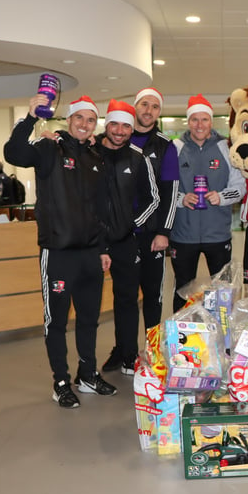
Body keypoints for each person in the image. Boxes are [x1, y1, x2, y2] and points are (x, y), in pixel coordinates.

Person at [3, 94, 116, 408]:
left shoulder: (96, 157)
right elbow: (13, 152)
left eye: (91, 119)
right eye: (79, 117)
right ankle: (61, 382)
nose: (84, 124)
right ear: (69, 120)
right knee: (56, 322)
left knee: (89, 319)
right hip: (58, 253)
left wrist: (103, 247)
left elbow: (100, 209)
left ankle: (88, 375)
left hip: (91, 254)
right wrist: (29, 118)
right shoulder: (49, 148)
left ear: (95, 124)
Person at [102, 88, 179, 373]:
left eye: (155, 106)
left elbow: (170, 194)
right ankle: (124, 351)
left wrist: (164, 232)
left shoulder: (165, 146)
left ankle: (153, 350)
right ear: (135, 107)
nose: (148, 110)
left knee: (152, 296)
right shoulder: (116, 140)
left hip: (151, 234)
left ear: (159, 112)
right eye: (144, 104)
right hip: (120, 235)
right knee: (123, 296)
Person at [97, 99, 159, 375]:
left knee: (126, 299)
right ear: (106, 125)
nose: (120, 130)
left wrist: (131, 225)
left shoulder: (137, 158)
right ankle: (88, 369)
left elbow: (153, 199)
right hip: (90, 242)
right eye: (115, 124)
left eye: (126, 125)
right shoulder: (89, 154)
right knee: (88, 304)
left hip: (124, 241)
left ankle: (127, 353)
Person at [169, 94, 245, 312]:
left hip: (218, 234)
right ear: (188, 122)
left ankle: (224, 341)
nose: (199, 125)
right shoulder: (174, 148)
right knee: (182, 291)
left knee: (223, 291)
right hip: (183, 235)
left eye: (204, 119)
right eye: (194, 119)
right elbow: (165, 191)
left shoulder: (226, 147)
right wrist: (182, 199)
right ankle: (181, 339)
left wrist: (221, 197)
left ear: (211, 121)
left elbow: (240, 188)